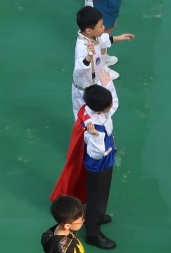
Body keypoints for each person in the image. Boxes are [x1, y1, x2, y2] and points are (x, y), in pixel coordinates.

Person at [51, 84, 118, 250]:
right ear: (100, 109)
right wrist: (96, 137)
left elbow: (113, 103)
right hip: (100, 163)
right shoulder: (92, 127)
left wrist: (108, 84)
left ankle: (96, 215)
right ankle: (93, 233)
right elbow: (96, 153)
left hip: (104, 159)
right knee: (98, 197)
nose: (112, 105)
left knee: (98, 195)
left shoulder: (91, 110)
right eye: (109, 103)